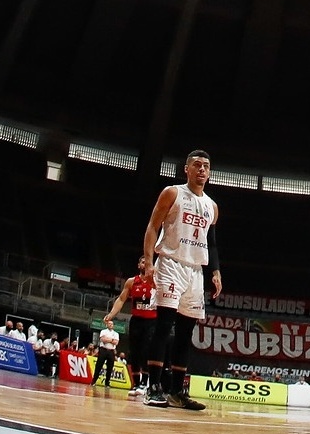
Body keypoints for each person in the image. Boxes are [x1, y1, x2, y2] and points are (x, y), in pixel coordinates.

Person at [140, 149, 222, 410]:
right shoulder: (172, 193)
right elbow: (153, 226)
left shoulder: (212, 206)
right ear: (186, 169)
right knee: (164, 325)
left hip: (196, 270)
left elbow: (212, 241)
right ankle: (153, 387)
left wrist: (216, 271)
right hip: (171, 263)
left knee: (186, 333)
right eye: (196, 165)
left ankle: (177, 390)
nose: (202, 170)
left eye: (206, 166)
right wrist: (148, 261)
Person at [105, 257, 157, 395]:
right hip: (136, 320)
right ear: (138, 264)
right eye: (142, 261)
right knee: (134, 352)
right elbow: (121, 299)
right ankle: (135, 384)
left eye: (147, 261)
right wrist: (111, 314)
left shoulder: (157, 281)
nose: (145, 264)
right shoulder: (131, 282)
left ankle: (144, 384)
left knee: (147, 351)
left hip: (151, 321)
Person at [92, 319, 120, 387]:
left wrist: (108, 339)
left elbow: (116, 342)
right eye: (109, 324)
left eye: (112, 324)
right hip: (103, 350)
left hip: (111, 351)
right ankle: (93, 381)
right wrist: (112, 340)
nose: (110, 325)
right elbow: (103, 340)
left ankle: (107, 383)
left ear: (113, 326)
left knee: (110, 367)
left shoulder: (116, 334)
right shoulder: (103, 331)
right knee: (99, 365)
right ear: (107, 325)